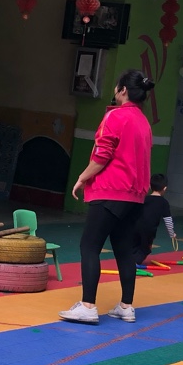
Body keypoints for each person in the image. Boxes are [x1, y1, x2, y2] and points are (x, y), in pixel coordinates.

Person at [60, 70, 154, 325]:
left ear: (122, 90)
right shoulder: (144, 122)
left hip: (111, 191)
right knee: (123, 249)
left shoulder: (115, 116)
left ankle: (88, 306)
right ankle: (126, 306)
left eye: (117, 86)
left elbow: (102, 155)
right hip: (135, 196)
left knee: (89, 246)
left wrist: (82, 177)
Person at [136, 173, 176, 266]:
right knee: (146, 248)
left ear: (150, 186)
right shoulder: (163, 202)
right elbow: (168, 220)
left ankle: (129, 261)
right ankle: (135, 262)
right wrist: (172, 234)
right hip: (149, 229)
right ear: (165, 188)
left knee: (135, 245)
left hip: (136, 226)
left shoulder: (144, 199)